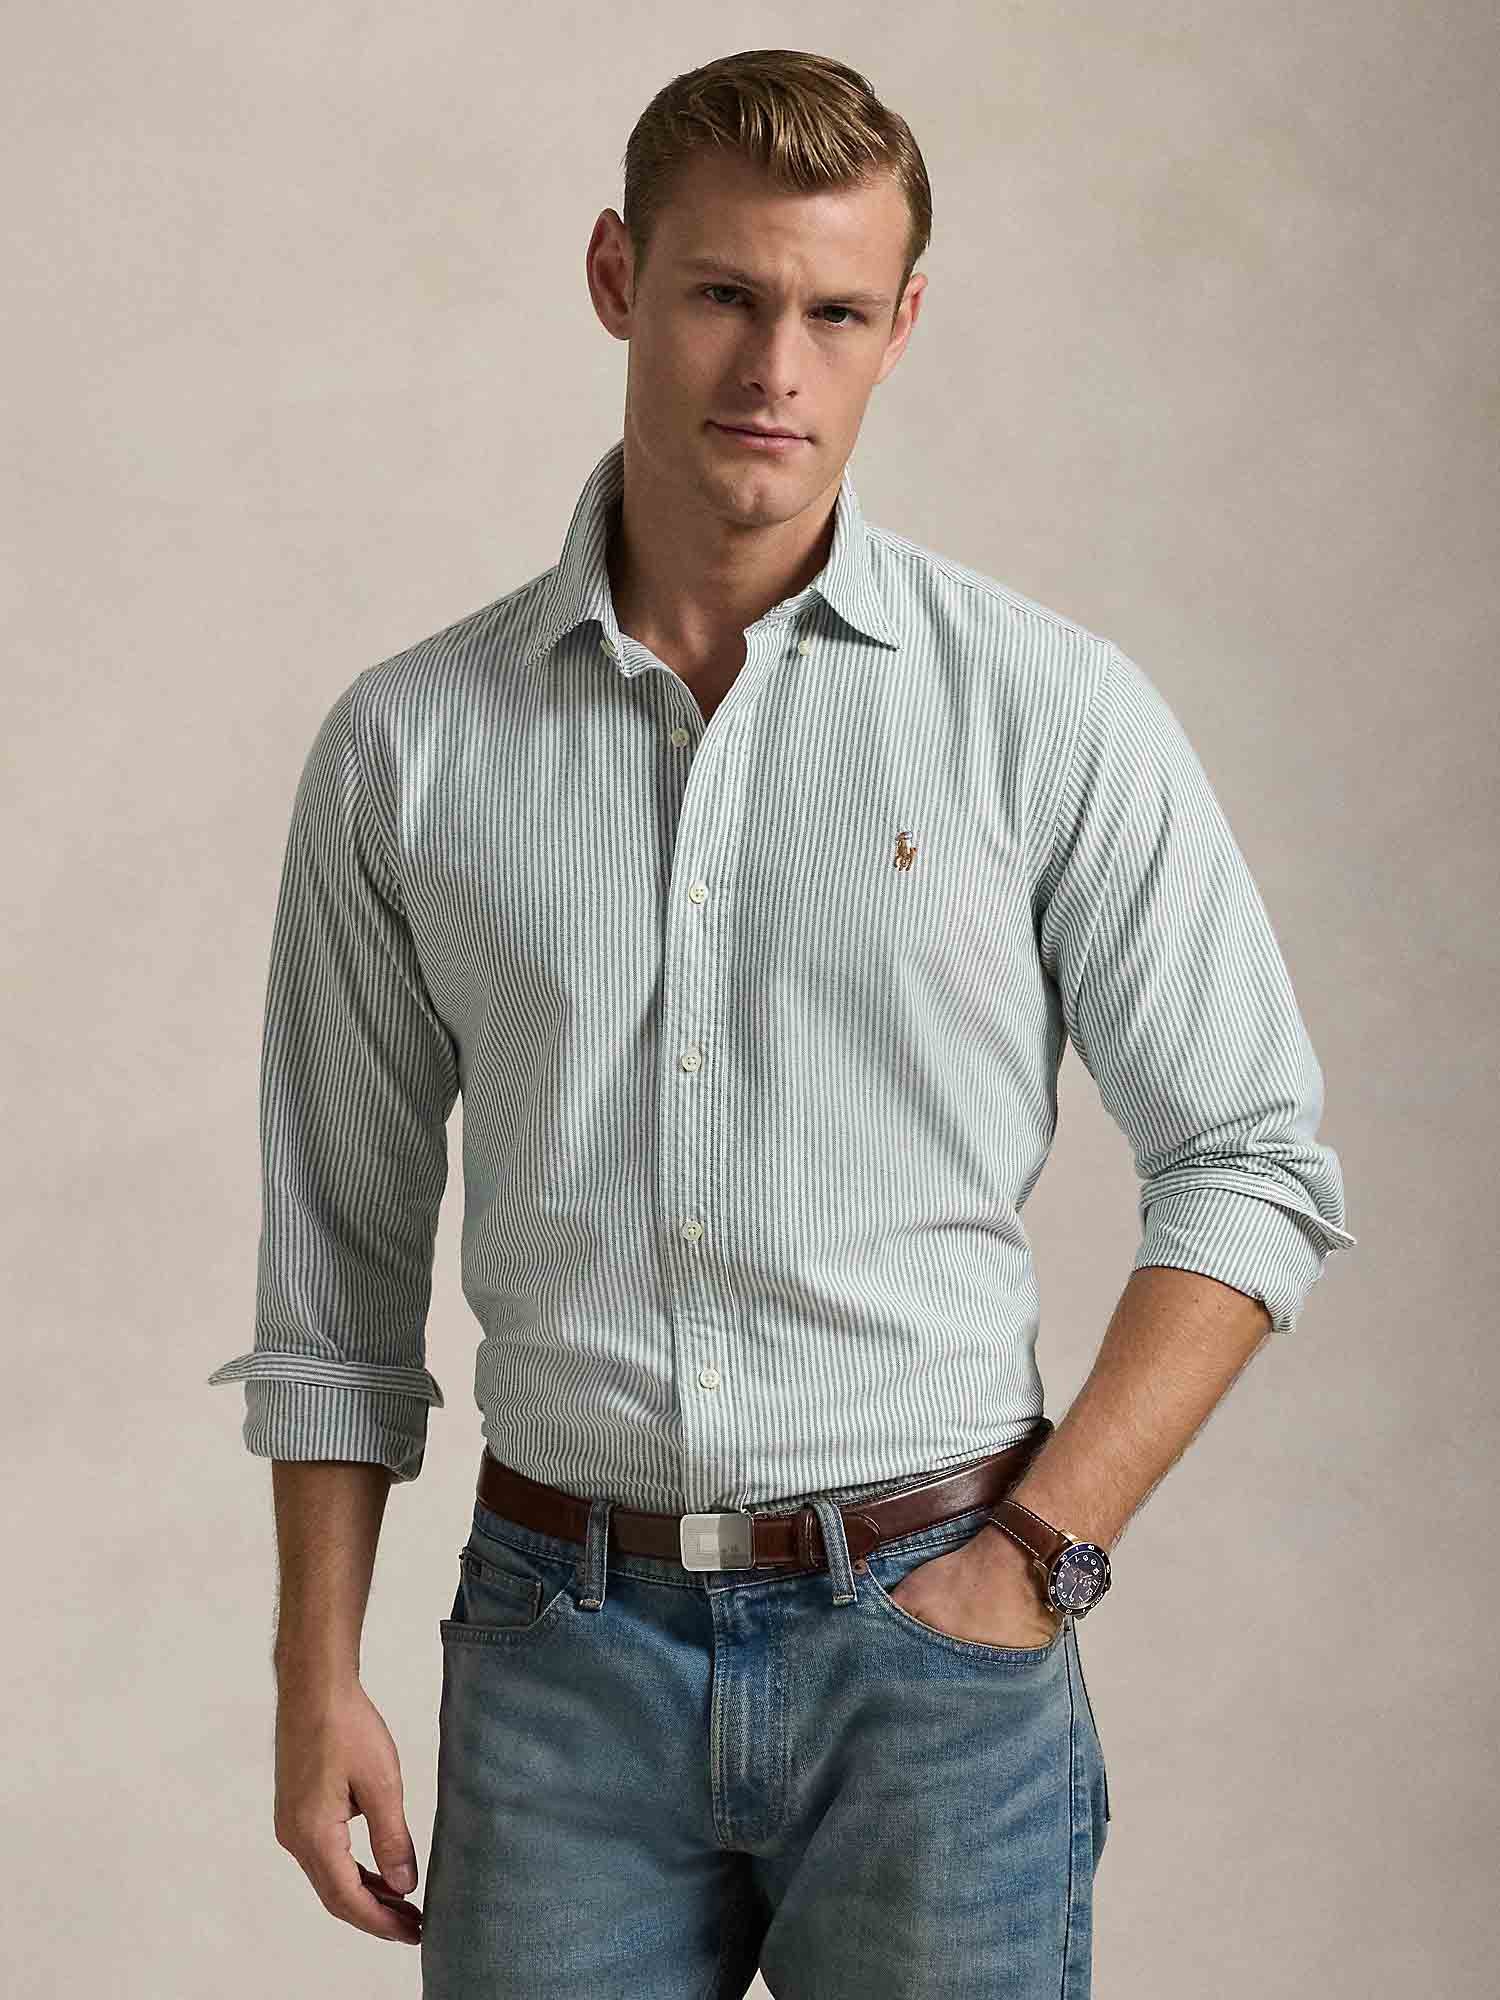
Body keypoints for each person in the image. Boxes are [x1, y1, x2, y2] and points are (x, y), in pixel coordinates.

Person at [207, 47, 1356, 2000]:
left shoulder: (1045, 714)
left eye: (834, 313)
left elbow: (1252, 1162)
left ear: (903, 325)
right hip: (559, 1653)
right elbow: (338, 1259)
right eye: (725, 294)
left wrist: (1039, 1556)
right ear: (616, 277)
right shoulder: (411, 749)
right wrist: (315, 1679)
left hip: (936, 1657)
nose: (774, 368)